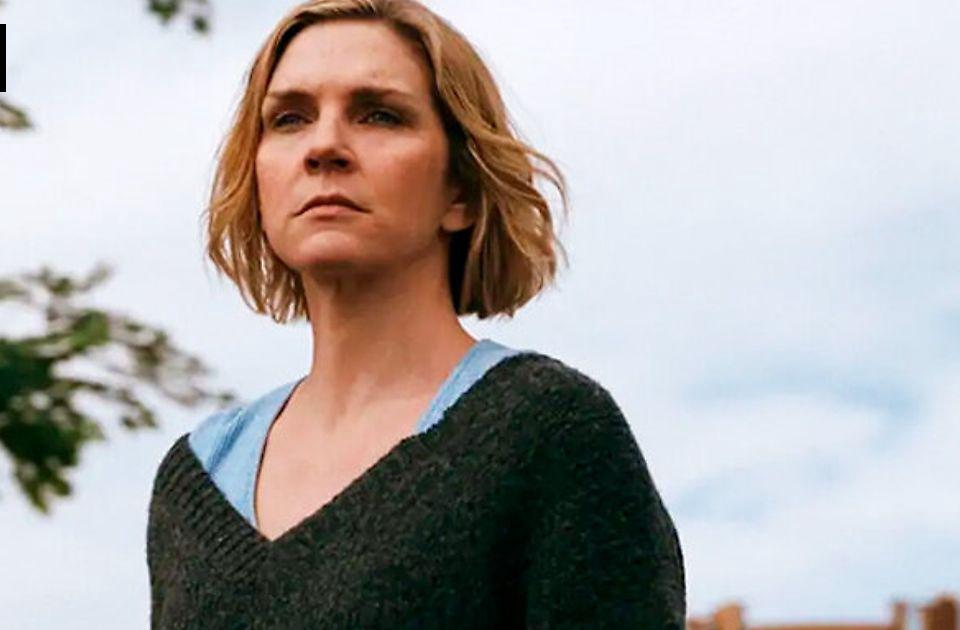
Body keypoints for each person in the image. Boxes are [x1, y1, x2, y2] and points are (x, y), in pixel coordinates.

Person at [145, 0, 686, 627]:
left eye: (380, 114)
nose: (324, 146)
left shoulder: (549, 431)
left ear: (461, 190)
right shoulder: (197, 477)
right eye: (289, 119)